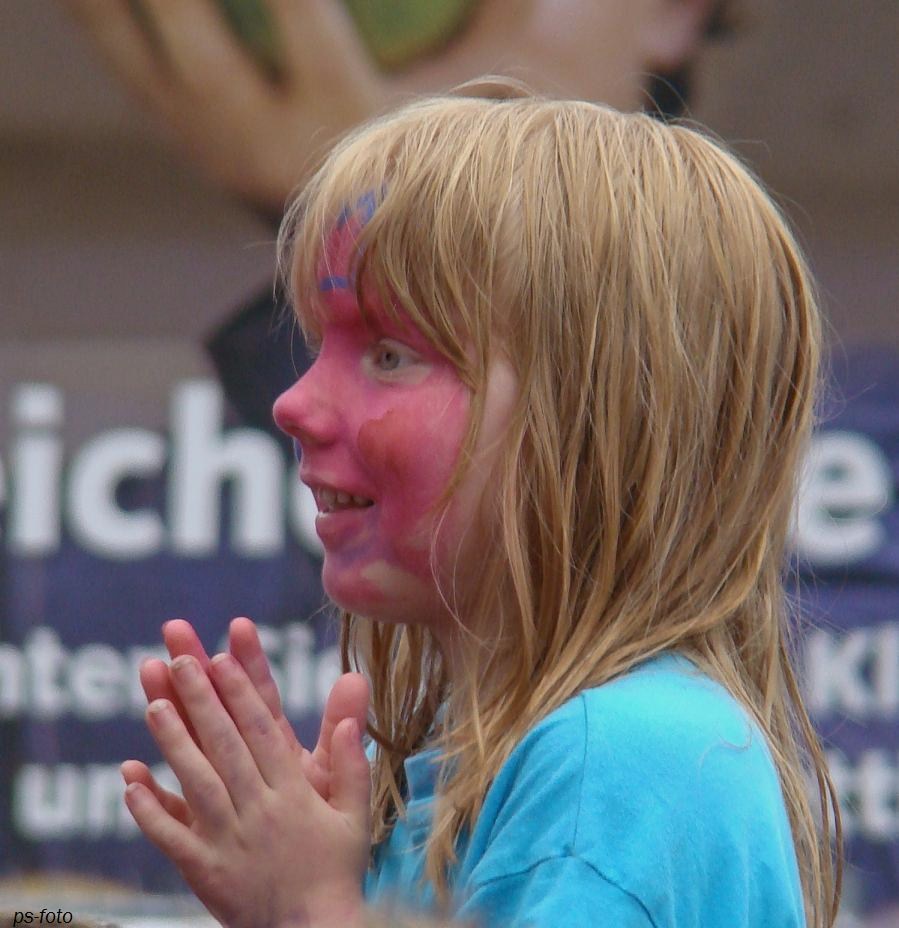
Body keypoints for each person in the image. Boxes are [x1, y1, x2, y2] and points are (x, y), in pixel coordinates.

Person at [119, 82, 843, 927]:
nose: (295, 404)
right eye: (320, 346)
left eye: (390, 354)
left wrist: (307, 910)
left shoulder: (612, 766)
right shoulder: (507, 766)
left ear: (590, 420)